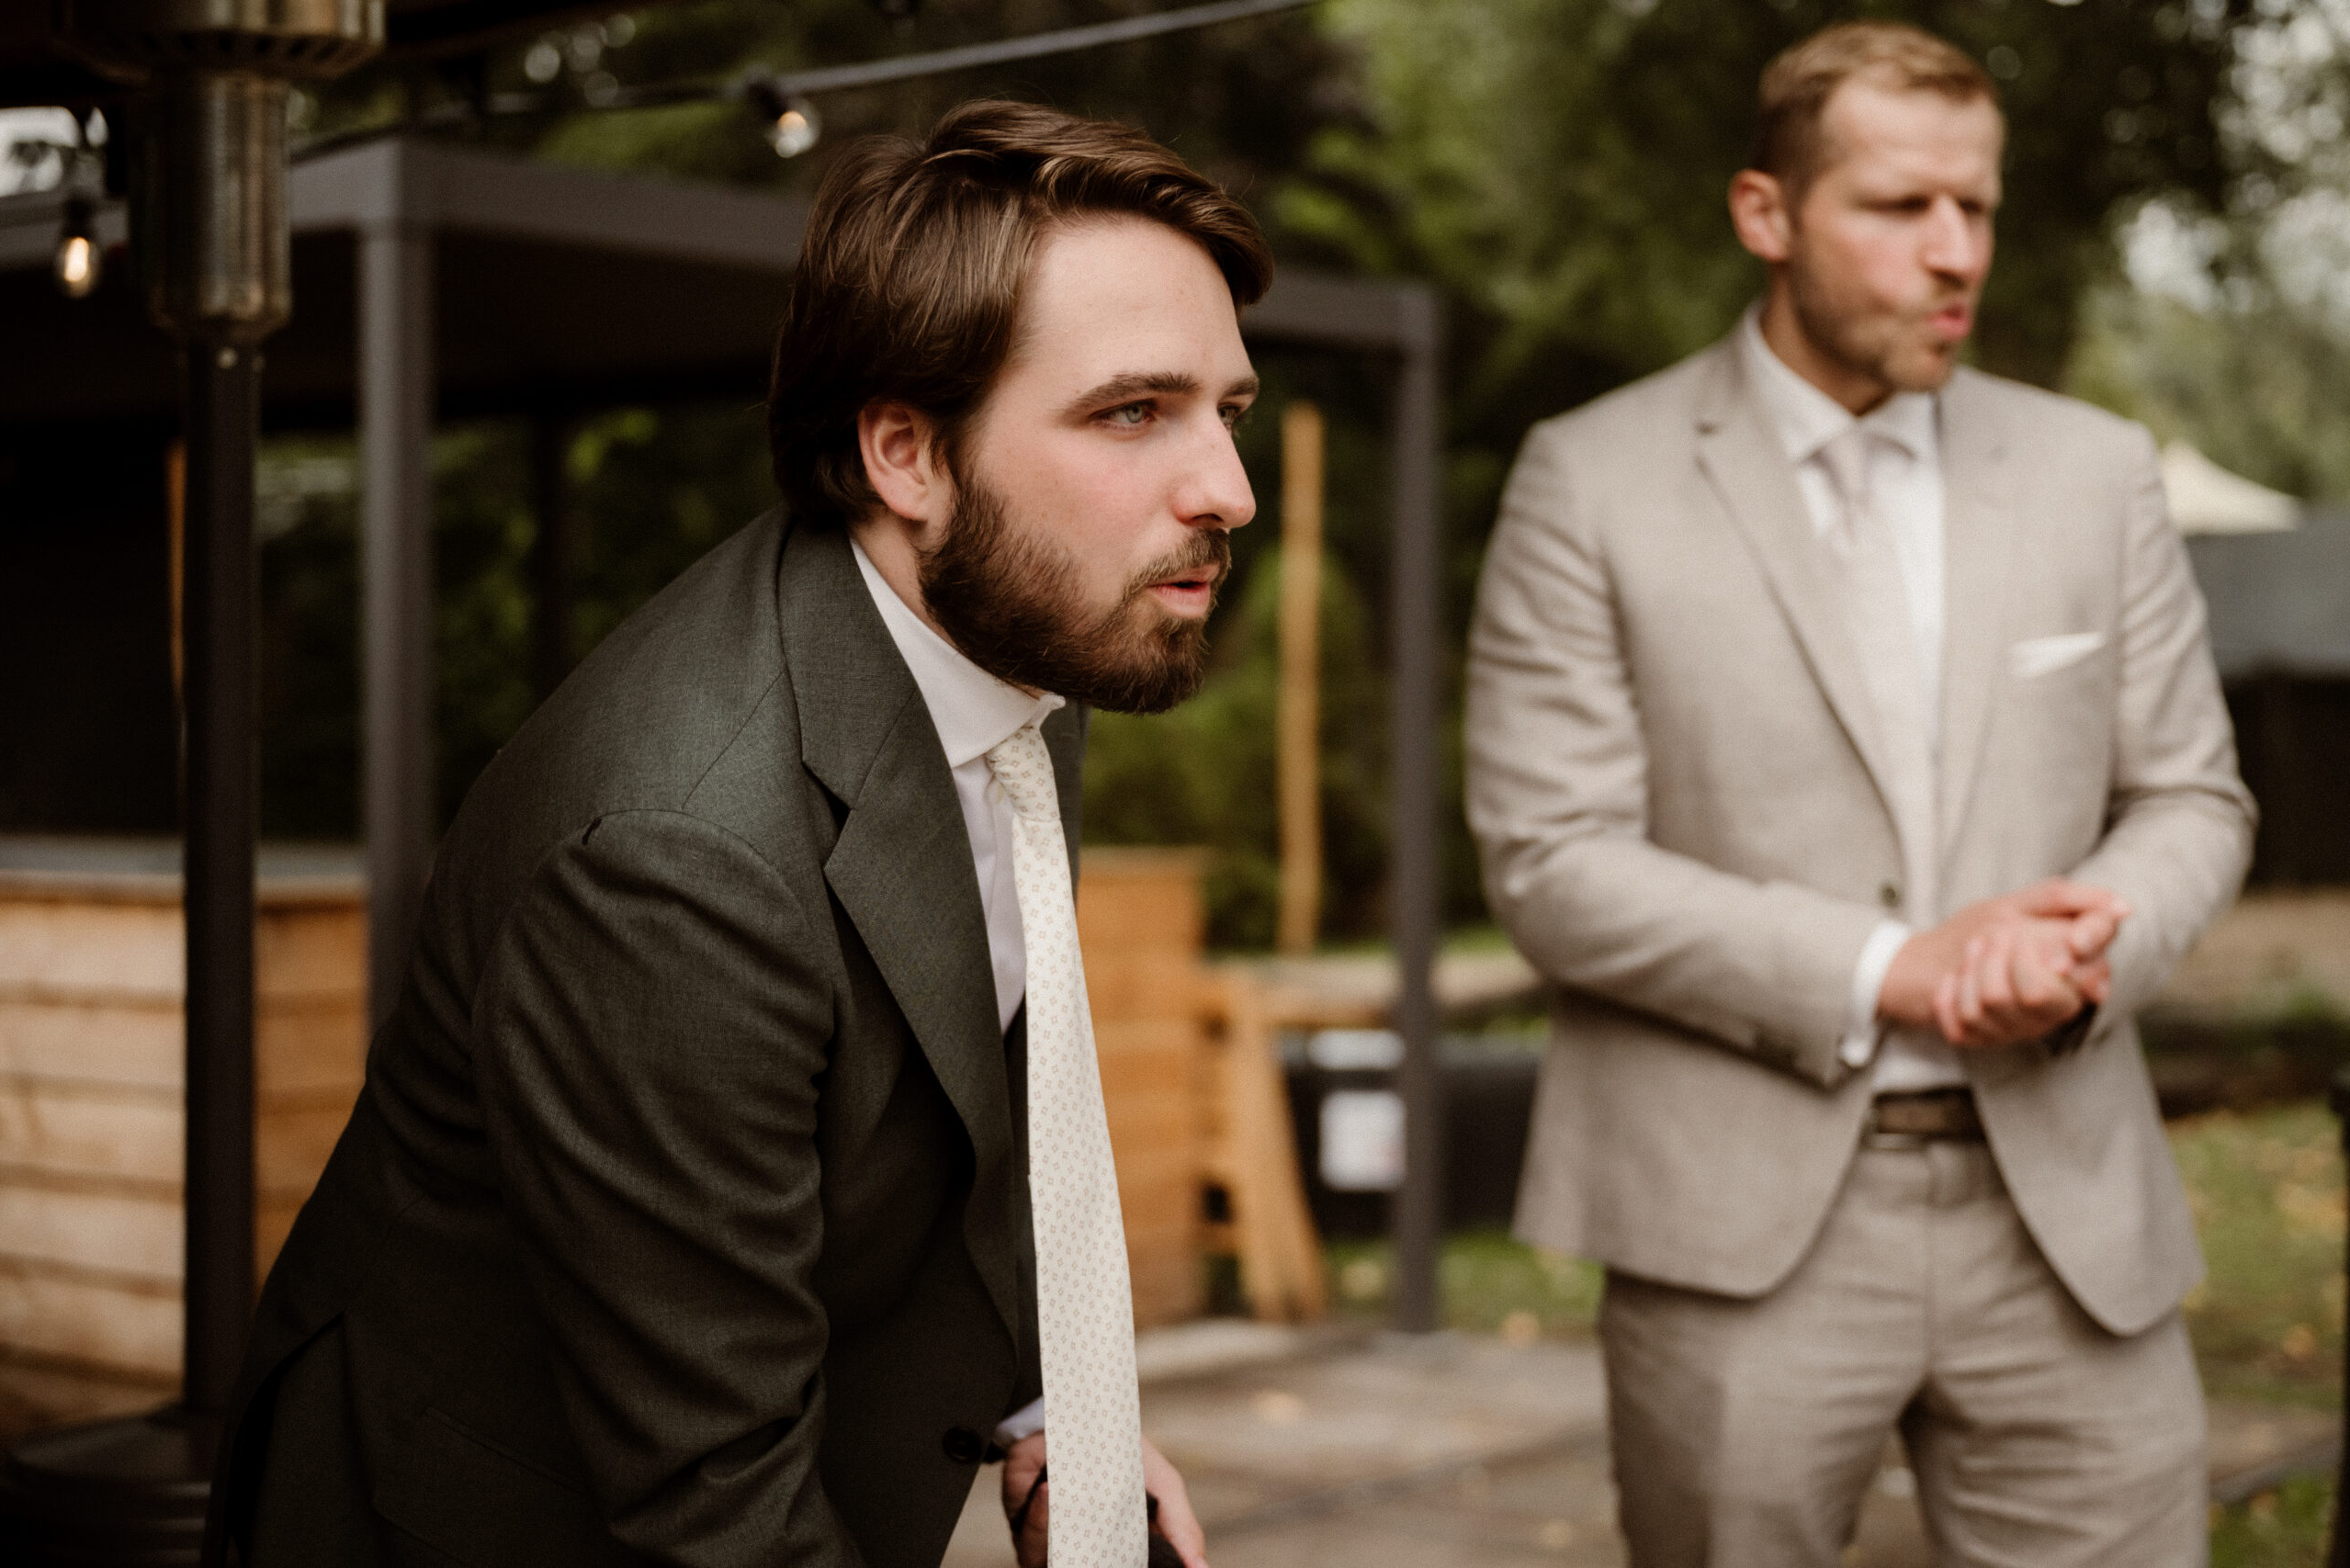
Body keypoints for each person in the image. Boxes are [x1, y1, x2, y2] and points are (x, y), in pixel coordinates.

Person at [205, 100, 1266, 1568]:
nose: (1229, 491)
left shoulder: (1019, 636)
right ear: (906, 453)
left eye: (1228, 411)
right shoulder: (677, 858)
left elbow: (982, 1093)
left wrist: (1058, 1408)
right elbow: (716, 1507)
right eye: (1132, 412)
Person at [1467, 22, 2253, 1567]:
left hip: (2070, 1216)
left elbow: (2195, 799)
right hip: (1734, 1228)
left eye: (1977, 206)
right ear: (1765, 213)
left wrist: (2086, 937)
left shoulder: (2098, 471)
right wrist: (1900, 967)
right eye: (1901, 207)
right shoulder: (1589, 478)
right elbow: (1553, 862)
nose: (1956, 252)